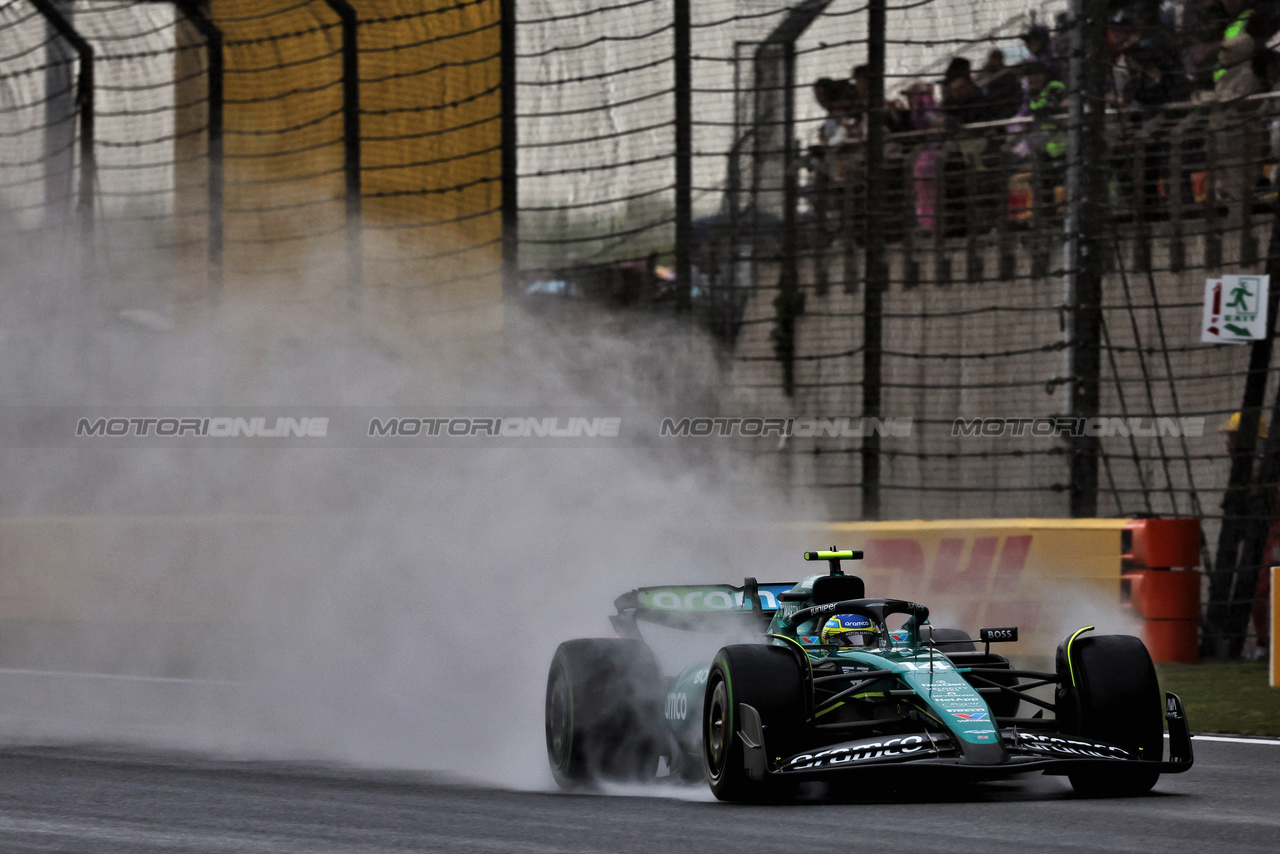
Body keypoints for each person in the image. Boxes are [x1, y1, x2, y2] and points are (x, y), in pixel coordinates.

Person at [975, 49, 1023, 119]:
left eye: (998, 58)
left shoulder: (1008, 74)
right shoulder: (982, 73)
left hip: (1004, 104)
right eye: (994, 58)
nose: (996, 61)